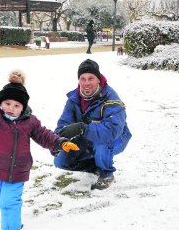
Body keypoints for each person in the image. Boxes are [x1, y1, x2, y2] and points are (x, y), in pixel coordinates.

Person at [0, 70, 79, 230]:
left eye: (17, 105)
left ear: (23, 107)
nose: (11, 108)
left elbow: (43, 135)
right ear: (0, 103)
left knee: (9, 201)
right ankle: (11, 214)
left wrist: (60, 143)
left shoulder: (29, 122)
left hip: (18, 169)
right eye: (7, 103)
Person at [53, 59, 132, 190]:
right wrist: (57, 141)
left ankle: (106, 174)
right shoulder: (74, 99)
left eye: (91, 78)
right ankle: (95, 167)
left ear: (98, 79)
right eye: (82, 79)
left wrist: (83, 128)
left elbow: (112, 131)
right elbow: (63, 124)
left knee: (101, 143)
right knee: (61, 161)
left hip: (116, 138)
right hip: (88, 137)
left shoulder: (111, 99)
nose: (86, 83)